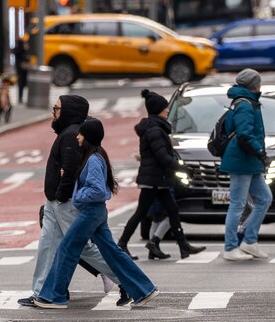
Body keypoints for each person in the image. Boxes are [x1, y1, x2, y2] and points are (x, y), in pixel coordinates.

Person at [33, 119, 159, 309]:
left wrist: (76, 196)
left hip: (91, 212)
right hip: (96, 212)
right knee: (112, 252)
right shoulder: (95, 156)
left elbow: (98, 190)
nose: (78, 136)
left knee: (67, 249)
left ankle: (55, 297)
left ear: (89, 137)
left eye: (81, 134)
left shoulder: (92, 159)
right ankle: (144, 290)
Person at [19, 95, 126, 308]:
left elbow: (70, 170)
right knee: (47, 246)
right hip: (55, 201)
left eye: (57, 108)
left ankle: (126, 280)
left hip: (64, 201)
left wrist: (60, 195)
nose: (53, 112)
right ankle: (41, 292)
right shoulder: (68, 133)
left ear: (68, 111)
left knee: (83, 247)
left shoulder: (70, 135)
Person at [118, 90, 205, 260]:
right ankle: (122, 244)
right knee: (142, 212)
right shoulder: (155, 130)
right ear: (158, 110)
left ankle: (183, 246)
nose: (167, 111)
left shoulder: (155, 128)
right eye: (165, 109)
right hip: (154, 179)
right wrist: (183, 168)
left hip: (158, 179)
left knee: (171, 211)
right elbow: (163, 157)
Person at [221, 69, 273, 261]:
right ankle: (230, 247)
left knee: (265, 198)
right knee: (238, 204)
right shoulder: (245, 104)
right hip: (243, 160)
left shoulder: (243, 101)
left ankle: (249, 241)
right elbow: (244, 133)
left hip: (248, 160)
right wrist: (260, 151)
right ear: (254, 85)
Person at [13, 36, 29, 104]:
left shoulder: (17, 49)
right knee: (22, 84)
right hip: (22, 70)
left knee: (21, 84)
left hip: (20, 69)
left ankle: (20, 98)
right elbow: (27, 58)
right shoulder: (23, 49)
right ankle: (20, 98)